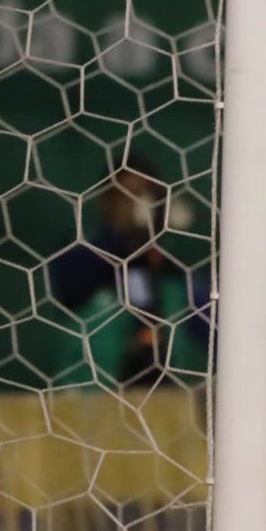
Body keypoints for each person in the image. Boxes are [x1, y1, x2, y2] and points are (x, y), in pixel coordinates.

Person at [47, 154, 208, 390]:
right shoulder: (83, 257)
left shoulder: (173, 277)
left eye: (147, 196)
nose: (140, 204)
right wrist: (126, 234)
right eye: (127, 196)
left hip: (161, 406)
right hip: (87, 407)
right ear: (107, 202)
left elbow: (217, 327)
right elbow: (69, 278)